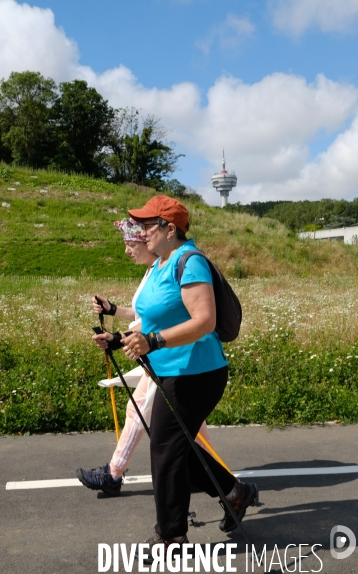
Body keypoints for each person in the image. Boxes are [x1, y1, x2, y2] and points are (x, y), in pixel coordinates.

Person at [121, 196, 258, 561]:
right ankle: (235, 493)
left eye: (148, 224)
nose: (141, 231)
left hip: (198, 373)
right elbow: (153, 317)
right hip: (171, 370)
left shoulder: (189, 261)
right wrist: (122, 338)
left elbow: (204, 321)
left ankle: (172, 538)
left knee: (165, 451)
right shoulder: (161, 263)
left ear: (169, 228)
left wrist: (153, 342)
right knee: (174, 447)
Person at [76, 217, 213, 496]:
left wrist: (120, 339)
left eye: (130, 243)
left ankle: (114, 473)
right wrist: (113, 310)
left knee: (141, 410)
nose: (127, 250)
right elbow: (143, 315)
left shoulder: (166, 268)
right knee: (190, 423)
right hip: (165, 355)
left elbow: (161, 321)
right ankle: (220, 479)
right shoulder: (154, 269)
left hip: (170, 355)